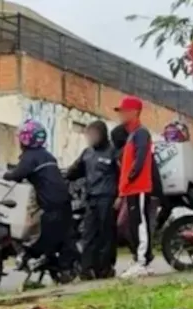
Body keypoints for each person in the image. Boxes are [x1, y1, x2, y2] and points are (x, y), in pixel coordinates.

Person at [3, 119, 80, 280]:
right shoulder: (47, 156)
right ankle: (62, 267)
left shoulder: (30, 157)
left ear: (25, 138)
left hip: (50, 205)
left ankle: (34, 258)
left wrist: (3, 174)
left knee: (43, 237)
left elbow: (16, 175)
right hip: (64, 202)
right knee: (64, 237)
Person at [65, 121, 119, 280]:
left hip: (107, 198)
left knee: (106, 235)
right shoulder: (87, 153)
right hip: (91, 199)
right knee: (88, 235)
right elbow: (73, 171)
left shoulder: (113, 152)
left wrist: (120, 196)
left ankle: (105, 268)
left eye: (94, 134)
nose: (91, 138)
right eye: (89, 135)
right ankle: (87, 269)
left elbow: (122, 175)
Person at [115, 95, 156, 278]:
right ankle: (138, 258)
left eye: (124, 111)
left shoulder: (141, 133)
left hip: (138, 187)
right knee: (131, 225)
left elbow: (139, 160)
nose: (121, 115)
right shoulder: (131, 135)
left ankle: (142, 262)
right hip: (130, 188)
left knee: (139, 224)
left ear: (134, 112)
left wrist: (131, 178)